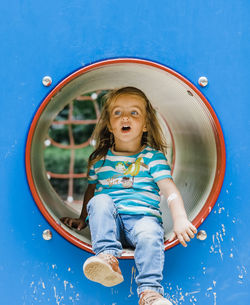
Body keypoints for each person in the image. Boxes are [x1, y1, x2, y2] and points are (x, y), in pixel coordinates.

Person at [61, 87, 197, 305]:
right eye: (117, 113)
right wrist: (82, 218)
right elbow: (91, 191)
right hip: (109, 223)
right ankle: (107, 257)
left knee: (151, 233)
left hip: (142, 220)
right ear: (109, 124)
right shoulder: (100, 160)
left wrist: (180, 219)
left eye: (134, 113)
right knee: (101, 200)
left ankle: (150, 293)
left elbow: (169, 190)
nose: (125, 117)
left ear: (145, 125)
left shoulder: (152, 158)